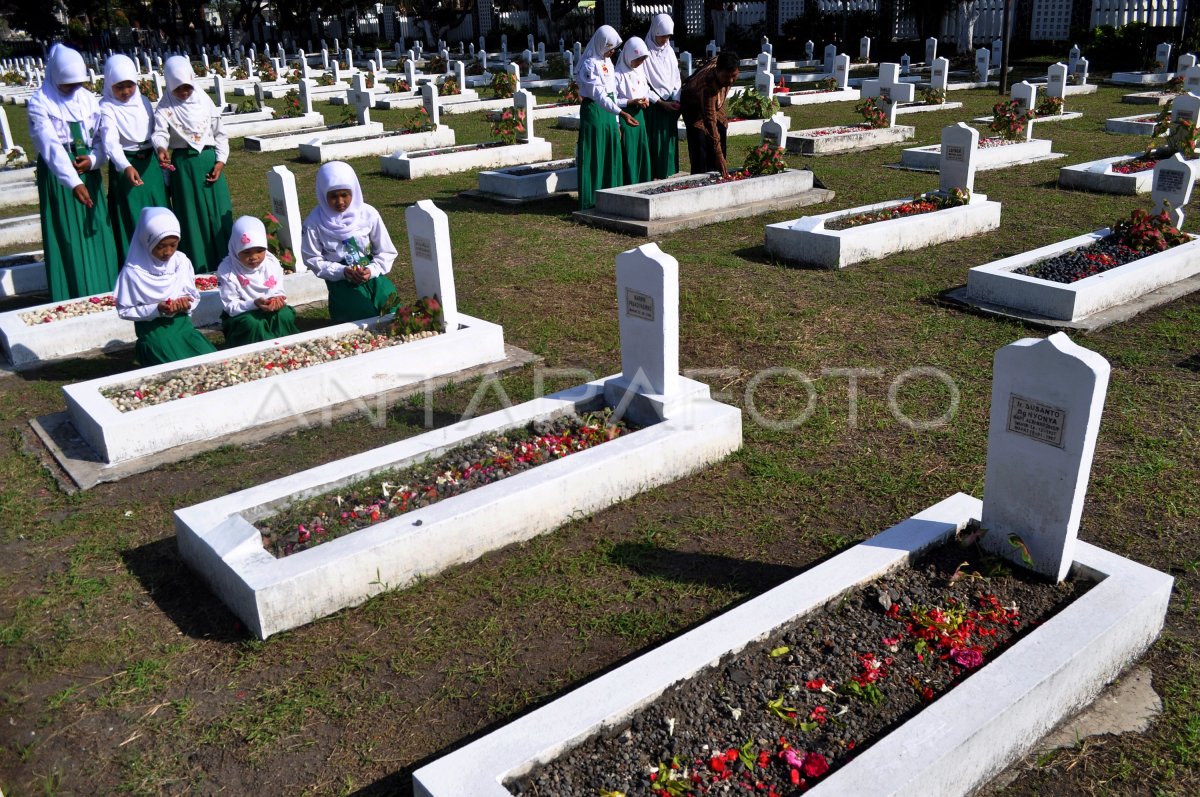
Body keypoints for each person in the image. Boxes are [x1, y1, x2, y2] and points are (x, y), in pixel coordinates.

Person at [27, 44, 119, 301]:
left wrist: (93, 159)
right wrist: (72, 181)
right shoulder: (40, 102)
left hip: (87, 170)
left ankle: (105, 286)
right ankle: (76, 291)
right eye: (68, 84)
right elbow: (50, 146)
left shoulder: (88, 99)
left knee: (97, 228)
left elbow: (101, 137)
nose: (73, 89)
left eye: (77, 83)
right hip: (60, 177)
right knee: (69, 233)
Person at [153, 55, 233, 274]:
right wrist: (161, 149)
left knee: (218, 214)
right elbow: (160, 133)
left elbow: (220, 134)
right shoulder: (164, 108)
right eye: (178, 88)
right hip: (184, 167)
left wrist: (220, 161)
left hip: (210, 163)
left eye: (188, 86)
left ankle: (228, 262)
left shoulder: (203, 100)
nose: (185, 92)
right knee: (191, 218)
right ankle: (199, 267)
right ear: (169, 85)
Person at [114, 206, 218, 366]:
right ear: (147, 241)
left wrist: (185, 302)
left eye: (173, 245)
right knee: (177, 367)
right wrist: (158, 309)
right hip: (154, 334)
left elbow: (193, 295)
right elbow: (125, 310)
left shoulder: (181, 261)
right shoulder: (133, 272)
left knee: (212, 363)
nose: (168, 252)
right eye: (161, 246)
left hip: (183, 328)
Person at [300, 161, 398, 323]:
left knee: (393, 309)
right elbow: (312, 258)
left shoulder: (367, 214)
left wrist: (371, 270)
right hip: (341, 282)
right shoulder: (314, 223)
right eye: (333, 196)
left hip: (371, 275)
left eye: (345, 194)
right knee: (363, 317)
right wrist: (342, 271)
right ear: (323, 194)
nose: (340, 202)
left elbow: (386, 251)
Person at [100, 53, 169, 263]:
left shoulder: (144, 101)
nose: (126, 91)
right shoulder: (107, 107)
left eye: (130, 85)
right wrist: (125, 166)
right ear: (110, 84)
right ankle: (136, 262)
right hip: (126, 167)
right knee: (133, 215)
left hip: (150, 165)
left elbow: (155, 131)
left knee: (159, 214)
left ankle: (165, 258)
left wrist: (160, 149)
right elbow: (110, 142)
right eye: (119, 86)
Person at [575, 25, 640, 209]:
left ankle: (610, 196)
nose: (612, 51)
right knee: (595, 153)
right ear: (601, 44)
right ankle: (591, 199)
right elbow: (599, 95)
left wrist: (617, 121)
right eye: (610, 47)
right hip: (595, 112)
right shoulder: (589, 64)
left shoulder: (607, 62)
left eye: (614, 48)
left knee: (610, 152)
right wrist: (621, 113)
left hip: (610, 112)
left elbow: (611, 93)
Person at [217, 216, 299, 347]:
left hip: (269, 308)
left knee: (285, 315)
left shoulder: (271, 263)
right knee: (252, 323)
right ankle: (256, 351)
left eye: (260, 251)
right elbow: (231, 306)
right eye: (246, 252)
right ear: (235, 249)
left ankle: (285, 347)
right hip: (243, 313)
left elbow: (278, 288)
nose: (254, 257)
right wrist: (254, 303)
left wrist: (276, 299)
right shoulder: (227, 270)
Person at [680, 50, 740, 177]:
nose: (730, 80)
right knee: (700, 142)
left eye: (733, 75)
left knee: (721, 128)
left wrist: (719, 154)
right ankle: (699, 180)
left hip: (714, 102)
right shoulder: (707, 84)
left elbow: (719, 58)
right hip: (692, 106)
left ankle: (718, 173)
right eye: (726, 77)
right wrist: (718, 154)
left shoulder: (723, 65)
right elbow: (710, 120)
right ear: (718, 71)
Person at [643, 14, 682, 179]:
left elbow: (676, 77)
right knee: (655, 141)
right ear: (654, 33)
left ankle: (668, 173)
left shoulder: (669, 51)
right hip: (654, 106)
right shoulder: (644, 52)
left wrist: (676, 98)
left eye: (668, 36)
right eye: (662, 36)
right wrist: (659, 102)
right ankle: (655, 174)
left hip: (670, 103)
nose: (665, 40)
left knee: (668, 142)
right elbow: (641, 84)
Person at [614, 37, 653, 186]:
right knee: (629, 150)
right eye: (637, 59)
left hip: (639, 115)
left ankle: (642, 180)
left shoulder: (639, 72)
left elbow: (645, 89)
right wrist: (630, 102)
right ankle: (629, 181)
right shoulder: (617, 75)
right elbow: (612, 101)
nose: (639, 63)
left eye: (642, 59)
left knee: (640, 149)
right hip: (626, 116)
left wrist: (645, 99)